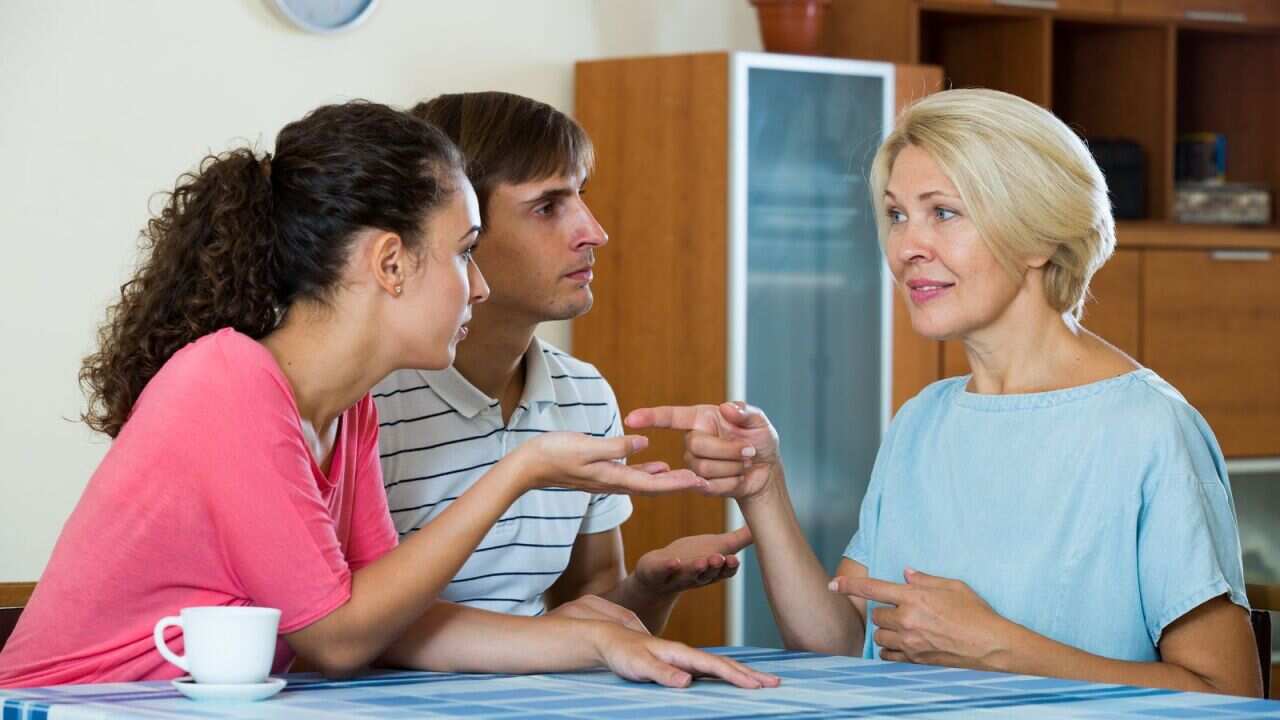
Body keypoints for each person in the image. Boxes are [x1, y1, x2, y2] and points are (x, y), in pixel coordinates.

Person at [0, 101, 777, 692]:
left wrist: (605, 642)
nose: (477, 284)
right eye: (465, 252)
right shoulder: (228, 385)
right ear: (390, 264)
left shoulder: (349, 410)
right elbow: (336, 638)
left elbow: (390, 623)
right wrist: (520, 471)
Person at [627, 88, 1261, 696]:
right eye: (898, 215)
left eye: (944, 212)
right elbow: (841, 647)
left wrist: (1003, 648)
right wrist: (763, 488)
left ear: (1038, 233)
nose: (907, 248)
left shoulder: (1148, 428)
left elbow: (1229, 695)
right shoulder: (921, 420)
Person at [374, 92, 751, 633]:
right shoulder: (368, 403)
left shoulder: (584, 394)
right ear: (460, 225)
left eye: (580, 197)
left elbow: (588, 612)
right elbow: (346, 624)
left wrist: (647, 588)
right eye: (548, 206)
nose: (594, 233)